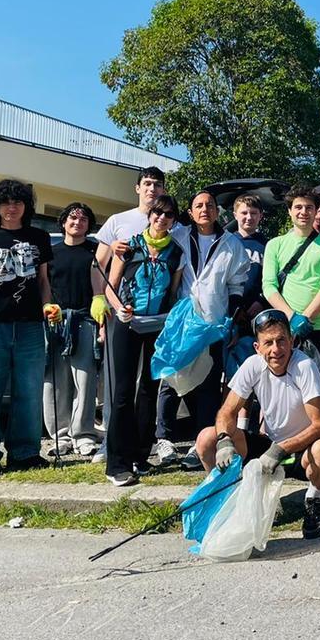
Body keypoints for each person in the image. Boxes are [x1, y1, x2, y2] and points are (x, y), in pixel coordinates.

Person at [194, 309, 320, 541]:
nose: (276, 350)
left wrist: (280, 450)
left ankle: (314, 498)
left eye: (281, 340)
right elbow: (226, 411)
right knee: (206, 439)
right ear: (257, 347)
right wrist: (224, 441)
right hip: (267, 443)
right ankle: (224, 501)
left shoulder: (304, 367)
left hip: (301, 450)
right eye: (268, 343)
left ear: (292, 340)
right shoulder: (252, 365)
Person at [0, 179, 59, 478]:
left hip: (31, 325)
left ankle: (25, 452)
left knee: (29, 390)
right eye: (6, 202)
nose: (12, 207)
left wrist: (48, 309)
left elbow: (43, 282)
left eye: (18, 202)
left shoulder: (40, 238)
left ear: (26, 207)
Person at [154, 189, 252, 470]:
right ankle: (165, 439)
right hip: (181, 323)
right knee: (170, 380)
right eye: (199, 205)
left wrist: (231, 318)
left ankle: (200, 444)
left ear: (217, 211)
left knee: (208, 384)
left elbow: (236, 285)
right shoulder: (179, 237)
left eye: (210, 204)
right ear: (190, 212)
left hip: (213, 323)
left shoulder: (231, 243)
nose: (205, 209)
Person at [90, 166, 170, 463]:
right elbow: (98, 265)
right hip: (120, 314)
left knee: (149, 386)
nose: (152, 189)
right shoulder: (118, 221)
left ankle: (139, 451)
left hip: (154, 320)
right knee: (118, 387)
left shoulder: (172, 226)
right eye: (147, 184)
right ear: (138, 188)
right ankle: (110, 447)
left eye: (157, 185)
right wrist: (100, 300)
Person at [104, 194, 185, 486]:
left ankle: (140, 455)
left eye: (168, 215)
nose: (162, 219)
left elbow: (173, 294)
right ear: (149, 215)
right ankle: (117, 463)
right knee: (123, 392)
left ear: (174, 221)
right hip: (127, 322)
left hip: (157, 326)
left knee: (150, 390)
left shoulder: (176, 252)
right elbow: (109, 287)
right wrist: (118, 309)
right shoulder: (128, 246)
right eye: (157, 213)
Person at [43, 202, 101, 458]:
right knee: (55, 382)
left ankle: (84, 434)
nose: (77, 223)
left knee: (85, 381)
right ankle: (59, 435)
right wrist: (47, 307)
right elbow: (43, 285)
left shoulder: (95, 251)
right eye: (73, 218)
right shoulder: (50, 253)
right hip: (55, 323)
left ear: (89, 225)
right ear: (64, 221)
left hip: (86, 321)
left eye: (83, 219)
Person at [261, 184, 320, 362]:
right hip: (281, 327)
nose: (303, 212)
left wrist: (306, 318)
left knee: (315, 387)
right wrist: (291, 316)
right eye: (298, 207)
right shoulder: (275, 244)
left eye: (309, 207)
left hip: (315, 327)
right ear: (289, 211)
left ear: (315, 211)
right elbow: (268, 285)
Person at [232, 193, 269, 332]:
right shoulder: (225, 242)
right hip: (229, 310)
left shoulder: (268, 245)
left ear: (260, 215)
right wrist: (234, 306)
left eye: (253, 213)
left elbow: (272, 279)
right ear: (235, 214)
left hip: (257, 311)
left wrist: (261, 301)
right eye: (244, 212)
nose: (249, 217)